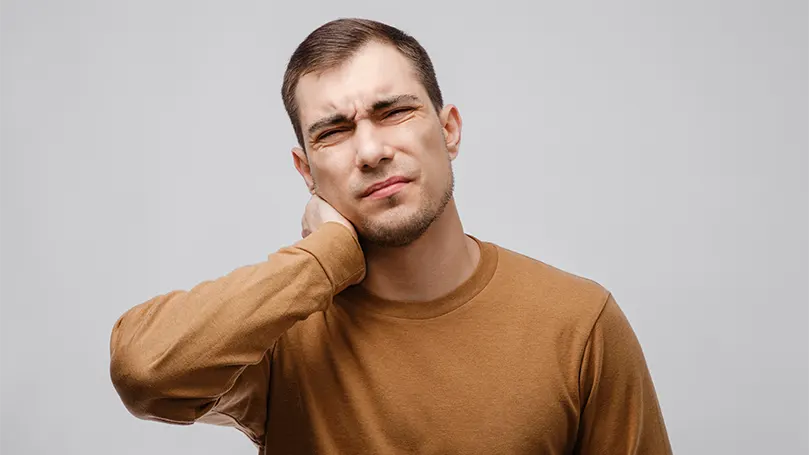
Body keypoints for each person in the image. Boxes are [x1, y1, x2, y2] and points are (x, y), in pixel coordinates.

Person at [109, 17, 673, 454]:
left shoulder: (578, 323)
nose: (373, 151)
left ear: (448, 129)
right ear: (306, 173)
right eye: (333, 132)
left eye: (394, 112)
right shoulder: (279, 332)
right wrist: (322, 258)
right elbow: (144, 372)